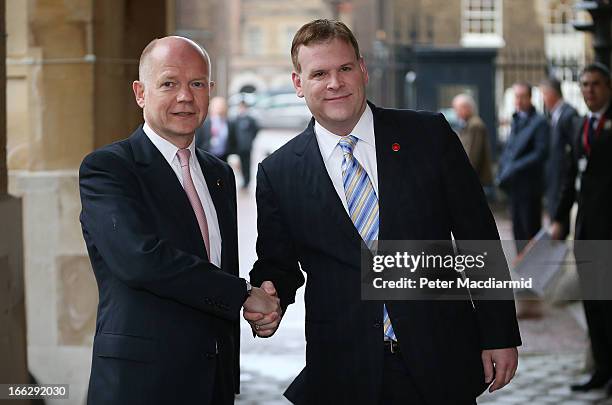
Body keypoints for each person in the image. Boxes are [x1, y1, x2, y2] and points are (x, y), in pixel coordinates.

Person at [244, 19, 520, 405]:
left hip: (439, 361)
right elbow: (279, 264)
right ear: (298, 83)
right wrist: (269, 298)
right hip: (343, 371)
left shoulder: (429, 136)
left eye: (344, 69)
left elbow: (479, 237)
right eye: (319, 73)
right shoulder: (278, 172)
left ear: (362, 70)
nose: (334, 83)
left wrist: (499, 333)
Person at [78, 36, 280, 405]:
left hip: (213, 383)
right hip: (140, 384)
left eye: (197, 83)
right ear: (140, 93)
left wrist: (257, 309)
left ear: (210, 91)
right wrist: (242, 295)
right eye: (169, 83)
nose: (185, 96)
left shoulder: (219, 174)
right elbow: (140, 260)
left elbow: (215, 265)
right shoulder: (109, 168)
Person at [552, 63, 612, 395]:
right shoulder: (580, 126)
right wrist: (560, 218)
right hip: (587, 230)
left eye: (596, 85)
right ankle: (602, 368)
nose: (589, 91)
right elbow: (569, 178)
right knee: (595, 303)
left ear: (608, 87)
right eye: (584, 85)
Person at [496, 82, 549, 253]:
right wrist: (504, 167)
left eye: (521, 96)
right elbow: (510, 148)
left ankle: (535, 271)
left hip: (530, 186)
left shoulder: (540, 122)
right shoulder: (516, 119)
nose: (518, 101)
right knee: (517, 230)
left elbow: (540, 153)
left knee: (530, 230)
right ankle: (522, 268)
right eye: (515, 97)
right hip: (514, 186)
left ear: (530, 98)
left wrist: (515, 167)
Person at [540, 77, 578, 239]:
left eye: (543, 95)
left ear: (551, 94)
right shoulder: (555, 114)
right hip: (555, 178)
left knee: (560, 227)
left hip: (563, 178)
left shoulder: (569, 114)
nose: (543, 99)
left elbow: (572, 151)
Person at [452, 93, 494, 187]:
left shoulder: (475, 125)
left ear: (467, 108)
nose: (456, 113)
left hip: (479, 182)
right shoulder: (468, 124)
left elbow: (473, 156)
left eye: (457, 109)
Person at [196, 96, 235, 161]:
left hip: (224, 158)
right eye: (217, 106)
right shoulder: (203, 124)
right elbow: (198, 143)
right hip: (206, 158)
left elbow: (233, 142)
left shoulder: (230, 123)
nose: (220, 109)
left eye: (222, 106)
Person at [233, 100, 260, 189]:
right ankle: (243, 179)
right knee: (239, 163)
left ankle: (247, 180)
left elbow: (256, 129)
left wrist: (251, 139)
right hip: (238, 146)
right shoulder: (236, 119)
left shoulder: (250, 119)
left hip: (247, 146)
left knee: (247, 163)